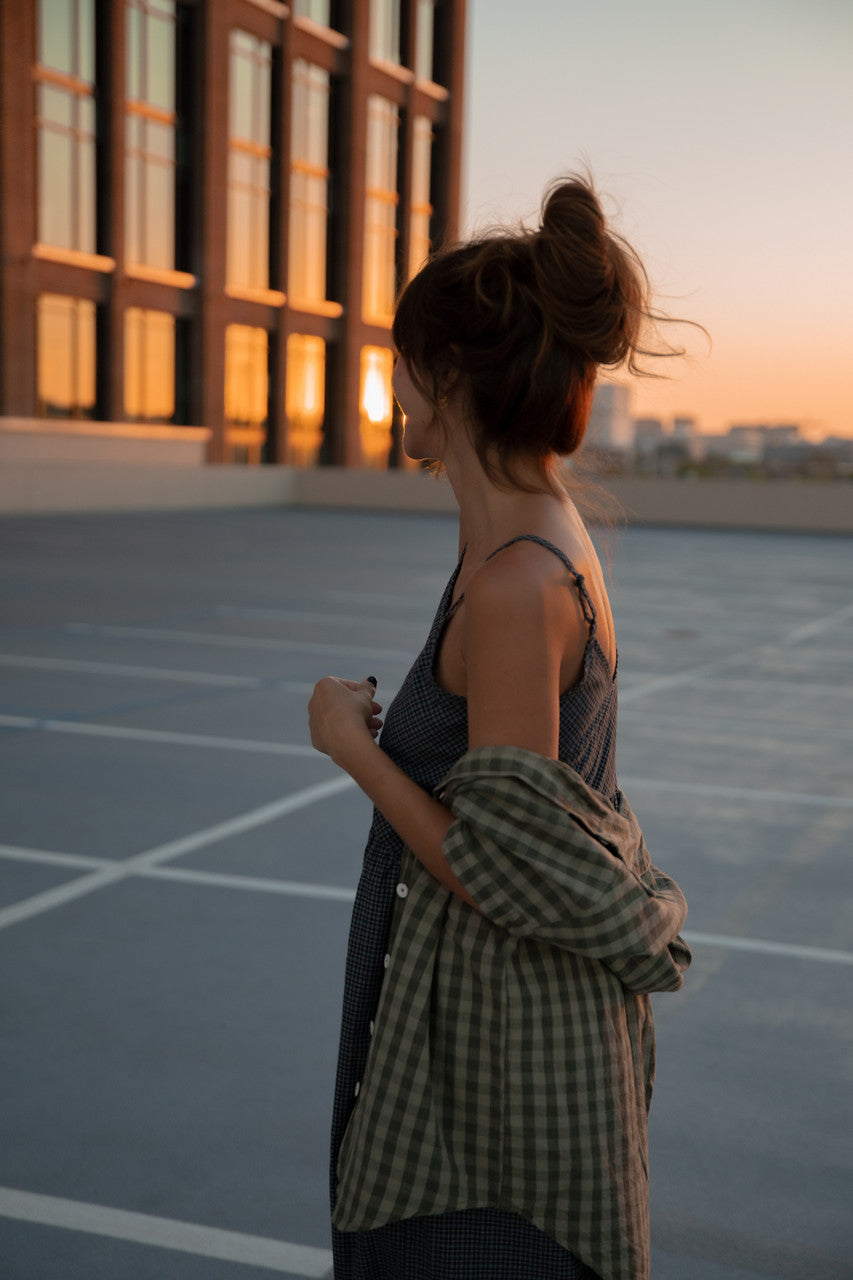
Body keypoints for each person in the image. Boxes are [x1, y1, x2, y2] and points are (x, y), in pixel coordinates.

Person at [308, 175, 692, 1280]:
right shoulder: (531, 534)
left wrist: (351, 744)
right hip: (486, 1029)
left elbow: (497, 864)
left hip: (496, 1064)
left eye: (402, 361)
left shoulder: (521, 580)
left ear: (448, 375)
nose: (394, 389)